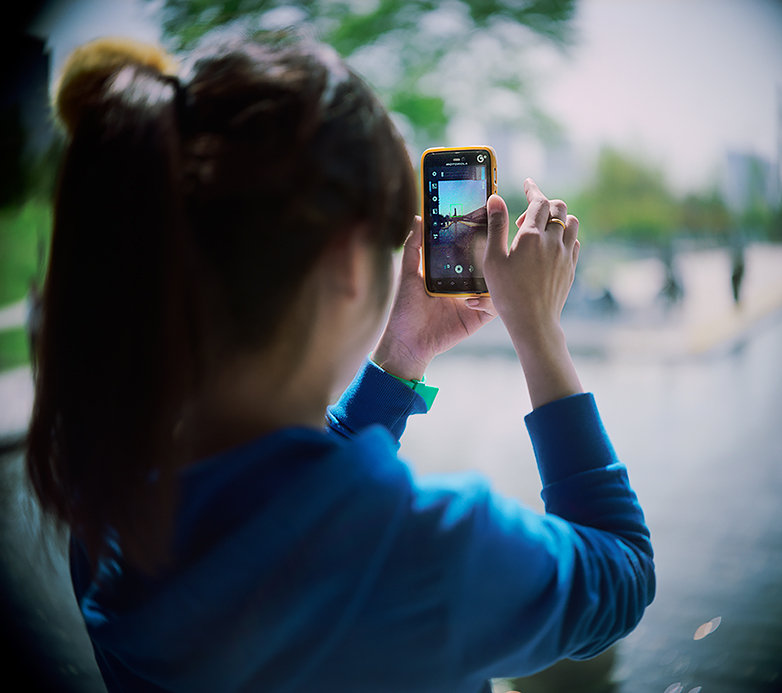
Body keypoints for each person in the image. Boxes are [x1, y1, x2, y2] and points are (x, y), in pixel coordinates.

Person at [25, 34, 654, 693]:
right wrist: (539, 332)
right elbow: (623, 570)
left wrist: (401, 356)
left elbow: (283, 501)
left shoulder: (106, 520)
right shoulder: (431, 550)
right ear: (351, 262)